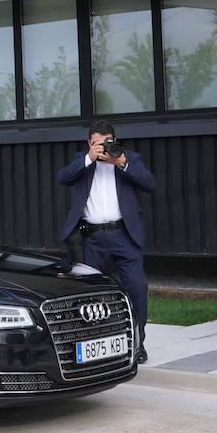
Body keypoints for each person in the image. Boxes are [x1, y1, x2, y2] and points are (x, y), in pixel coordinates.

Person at [58, 120, 156, 364]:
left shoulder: (129, 158)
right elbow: (63, 177)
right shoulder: (83, 161)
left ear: (115, 140)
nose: (103, 148)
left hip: (124, 235)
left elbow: (149, 183)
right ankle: (98, 344)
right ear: (89, 143)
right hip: (93, 238)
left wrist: (122, 163)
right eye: (97, 143)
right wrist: (89, 158)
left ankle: (137, 343)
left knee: (136, 289)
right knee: (93, 294)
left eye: (107, 142)